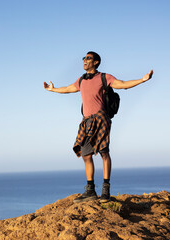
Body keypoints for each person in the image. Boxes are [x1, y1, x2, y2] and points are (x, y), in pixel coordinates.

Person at [43, 51, 153, 203]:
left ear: (96, 62)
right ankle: (90, 190)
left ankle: (106, 189)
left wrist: (142, 80)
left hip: (101, 118)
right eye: (84, 58)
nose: (84, 60)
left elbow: (121, 84)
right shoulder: (81, 80)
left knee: (103, 152)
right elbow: (68, 88)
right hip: (86, 120)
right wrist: (52, 89)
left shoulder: (104, 77)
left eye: (88, 58)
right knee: (86, 154)